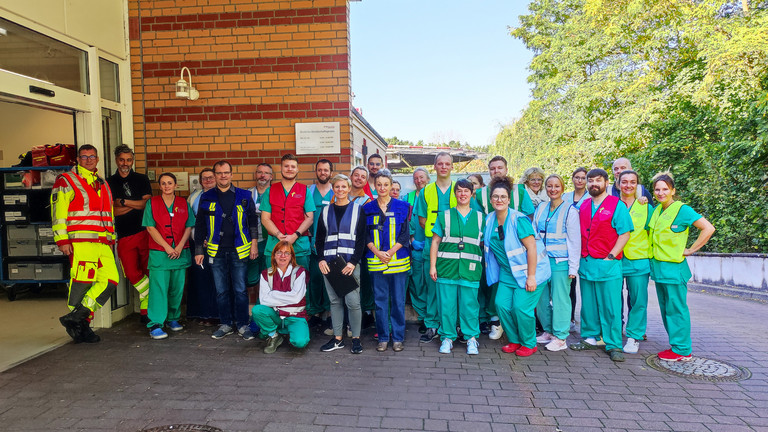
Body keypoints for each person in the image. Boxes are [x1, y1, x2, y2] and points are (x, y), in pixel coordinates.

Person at [52, 144, 118, 343]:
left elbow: (109, 214)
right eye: (84, 156)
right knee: (81, 283)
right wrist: (62, 240)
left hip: (102, 242)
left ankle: (76, 317)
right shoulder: (66, 181)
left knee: (110, 280)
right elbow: (58, 213)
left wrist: (111, 238)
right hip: (80, 242)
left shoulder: (102, 183)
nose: (89, 159)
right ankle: (82, 328)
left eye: (92, 156)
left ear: (97, 159)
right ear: (78, 160)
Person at [649, 172, 715, 362]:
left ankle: (683, 350)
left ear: (673, 191)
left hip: (674, 269)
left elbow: (708, 228)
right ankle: (676, 346)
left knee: (676, 309)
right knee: (666, 310)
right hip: (660, 269)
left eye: (665, 189)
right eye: (657, 189)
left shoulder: (682, 210)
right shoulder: (657, 210)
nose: (661, 193)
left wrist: (692, 249)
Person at [569, 169, 632, 362]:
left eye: (598, 180)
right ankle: (590, 337)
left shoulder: (616, 205)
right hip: (587, 263)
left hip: (608, 264)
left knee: (611, 306)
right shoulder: (584, 205)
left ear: (606, 182)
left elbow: (625, 233)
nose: (594, 183)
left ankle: (614, 344)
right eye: (590, 180)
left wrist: (611, 256)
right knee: (588, 304)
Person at [483, 177, 551, 357]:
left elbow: (532, 248)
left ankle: (529, 343)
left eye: (503, 196)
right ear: (491, 200)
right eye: (496, 197)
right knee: (501, 305)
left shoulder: (518, 219)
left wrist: (531, 276)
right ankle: (514, 339)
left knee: (521, 308)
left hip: (532, 271)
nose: (499, 200)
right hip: (508, 272)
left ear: (509, 199)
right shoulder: (489, 219)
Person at [194, 160, 259, 340]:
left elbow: (253, 221)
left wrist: (254, 244)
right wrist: (199, 249)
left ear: (231, 174)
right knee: (221, 290)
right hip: (216, 251)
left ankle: (243, 325)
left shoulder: (244, 195)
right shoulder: (206, 197)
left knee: (240, 290)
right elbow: (200, 225)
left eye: (226, 172)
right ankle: (225, 324)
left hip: (240, 250)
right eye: (219, 173)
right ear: (214, 175)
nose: (223, 176)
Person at [472, 156, 535, 339]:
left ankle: (515, 325)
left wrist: (518, 235)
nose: (496, 171)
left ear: (506, 169)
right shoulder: (481, 193)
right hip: (493, 247)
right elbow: (478, 219)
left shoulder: (520, 191)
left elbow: (529, 215)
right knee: (493, 284)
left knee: (517, 286)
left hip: (517, 249)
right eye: (492, 168)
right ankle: (495, 321)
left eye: (500, 167)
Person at [429, 179, 484, 355]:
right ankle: (447, 338)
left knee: (470, 305)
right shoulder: (444, 215)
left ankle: (471, 338)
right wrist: (432, 266)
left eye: (466, 191)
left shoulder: (480, 217)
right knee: (447, 305)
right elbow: (435, 242)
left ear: (471, 193)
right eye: (459, 191)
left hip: (470, 269)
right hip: (446, 268)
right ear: (455, 193)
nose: (462, 194)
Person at [316, 174, 367, 354]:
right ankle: (338, 338)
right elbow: (319, 239)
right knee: (335, 302)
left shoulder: (357, 210)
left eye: (343, 187)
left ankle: (356, 339)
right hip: (329, 264)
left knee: (353, 302)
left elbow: (361, 240)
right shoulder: (325, 211)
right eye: (337, 187)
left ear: (348, 188)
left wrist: (353, 262)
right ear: (333, 189)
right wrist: (321, 259)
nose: (340, 190)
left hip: (349, 264)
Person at [142, 173, 195, 340]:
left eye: (169, 183)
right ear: (160, 186)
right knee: (158, 290)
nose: (166, 186)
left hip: (180, 253)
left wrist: (178, 247)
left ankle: (173, 318)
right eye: (163, 183)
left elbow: (188, 226)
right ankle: (156, 324)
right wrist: (167, 247)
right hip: (160, 254)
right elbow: (150, 227)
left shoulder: (183, 203)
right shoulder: (152, 203)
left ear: (175, 185)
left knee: (176, 289)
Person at [532, 175, 580, 352]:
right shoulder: (541, 207)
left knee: (560, 299)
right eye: (550, 186)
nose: (553, 189)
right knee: (541, 298)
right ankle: (549, 331)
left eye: (557, 186)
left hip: (561, 262)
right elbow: (534, 232)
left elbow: (575, 241)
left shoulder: (570, 210)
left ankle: (560, 337)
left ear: (562, 188)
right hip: (541, 261)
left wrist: (573, 267)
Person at [364, 170, 411, 352]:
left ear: (392, 185)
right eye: (379, 184)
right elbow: (365, 234)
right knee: (380, 301)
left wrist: (390, 252)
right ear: (374, 186)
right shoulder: (367, 209)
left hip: (398, 261)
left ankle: (398, 337)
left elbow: (405, 234)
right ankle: (383, 337)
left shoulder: (403, 206)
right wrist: (378, 252)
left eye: (386, 184)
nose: (382, 188)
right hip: (376, 262)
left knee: (398, 301)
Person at [107, 144, 152, 323]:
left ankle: (146, 312)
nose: (125, 163)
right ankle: (153, 298)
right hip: (124, 235)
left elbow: (146, 205)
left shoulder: (141, 179)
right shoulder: (109, 182)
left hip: (144, 232)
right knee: (132, 273)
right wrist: (134, 204)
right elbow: (112, 211)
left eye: (129, 160)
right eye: (122, 160)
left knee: (148, 271)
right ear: (116, 160)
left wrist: (123, 202)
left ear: (132, 160)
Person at [415, 152, 456, 343]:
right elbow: (422, 220)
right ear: (435, 167)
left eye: (447, 163)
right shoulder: (426, 191)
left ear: (452, 167)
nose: (444, 167)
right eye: (440, 164)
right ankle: (431, 324)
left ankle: (451, 324)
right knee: (431, 286)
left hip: (455, 246)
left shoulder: (460, 189)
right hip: (431, 244)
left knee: (453, 286)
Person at [252, 241, 311, 353]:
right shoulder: (266, 274)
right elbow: (264, 300)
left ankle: (291, 331)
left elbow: (296, 298)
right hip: (276, 315)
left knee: (300, 342)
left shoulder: (300, 272)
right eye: (279, 253)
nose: (283, 256)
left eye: (287, 253)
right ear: (274, 256)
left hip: (295, 315)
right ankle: (274, 335)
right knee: (257, 309)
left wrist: (273, 294)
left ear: (292, 256)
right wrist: (288, 297)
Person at [618, 170, 653, 354]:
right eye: (624, 182)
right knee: (614, 299)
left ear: (637, 185)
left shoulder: (645, 206)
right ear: (618, 184)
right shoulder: (613, 204)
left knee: (638, 301)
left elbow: (653, 232)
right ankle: (615, 332)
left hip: (639, 260)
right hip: (615, 258)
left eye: (632, 182)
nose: (628, 185)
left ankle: (633, 336)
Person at [261, 154, 316, 270]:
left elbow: (310, 218)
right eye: (286, 166)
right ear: (281, 168)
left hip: (299, 247)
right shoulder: (270, 191)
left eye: (293, 166)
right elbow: (265, 218)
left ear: (297, 169)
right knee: (274, 283)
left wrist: (295, 236)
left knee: (301, 284)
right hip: (274, 245)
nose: (289, 169)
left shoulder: (305, 190)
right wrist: (278, 235)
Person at [186, 168, 219, 323]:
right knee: (200, 279)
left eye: (210, 177)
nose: (208, 181)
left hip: (219, 244)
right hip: (198, 245)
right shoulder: (193, 198)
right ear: (200, 181)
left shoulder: (223, 194)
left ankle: (217, 314)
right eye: (204, 178)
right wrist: (198, 240)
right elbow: (190, 223)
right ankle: (201, 313)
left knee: (217, 279)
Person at [307, 159, 334, 329]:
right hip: (312, 243)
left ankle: (331, 314)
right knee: (315, 278)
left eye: (326, 170)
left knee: (331, 280)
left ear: (331, 172)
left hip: (331, 245)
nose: (322, 172)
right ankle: (315, 313)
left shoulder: (336, 191)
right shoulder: (309, 191)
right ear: (316, 171)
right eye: (320, 170)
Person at [403, 167, 430, 334]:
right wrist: (412, 239)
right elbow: (405, 222)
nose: (419, 180)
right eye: (416, 178)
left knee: (432, 284)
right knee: (417, 283)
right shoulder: (408, 198)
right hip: (416, 247)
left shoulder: (433, 194)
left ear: (428, 178)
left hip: (433, 245)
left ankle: (434, 317)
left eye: (421, 177)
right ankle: (424, 317)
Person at [562, 167, 588, 332]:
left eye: (583, 178)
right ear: (572, 179)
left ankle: (585, 319)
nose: (579, 180)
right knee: (570, 282)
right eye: (577, 177)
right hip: (567, 242)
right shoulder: (565, 197)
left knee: (583, 282)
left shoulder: (591, 197)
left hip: (585, 241)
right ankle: (570, 316)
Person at [246, 163, 273, 295]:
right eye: (260, 172)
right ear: (255, 175)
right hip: (251, 241)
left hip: (270, 240)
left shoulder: (275, 193)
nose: (262, 175)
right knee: (250, 279)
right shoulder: (246, 194)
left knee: (269, 277)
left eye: (266, 173)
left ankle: (262, 307)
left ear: (271, 177)